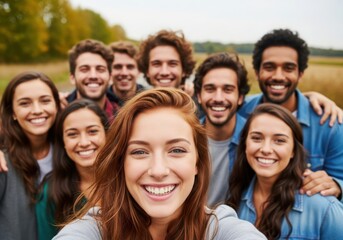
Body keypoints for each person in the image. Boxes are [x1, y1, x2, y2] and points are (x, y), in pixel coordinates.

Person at [53, 88, 266, 240]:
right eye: (139, 151)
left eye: (176, 150)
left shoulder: (219, 229)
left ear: (197, 163)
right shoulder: (96, 230)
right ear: (121, 163)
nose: (158, 171)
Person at [238, 29, 343, 202]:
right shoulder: (240, 111)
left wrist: (338, 186)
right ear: (257, 72)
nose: (278, 76)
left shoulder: (330, 124)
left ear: (300, 74)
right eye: (269, 67)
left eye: (288, 68)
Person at [227, 103, 343, 239]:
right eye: (257, 138)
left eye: (279, 141)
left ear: (293, 150)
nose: (266, 149)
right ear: (245, 144)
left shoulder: (324, 208)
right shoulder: (235, 199)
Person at [36, 99, 109, 240]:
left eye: (92, 131)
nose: (84, 142)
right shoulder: (50, 191)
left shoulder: (127, 179)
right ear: (63, 142)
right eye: (72, 134)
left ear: (107, 135)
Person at [0, 71, 60, 240]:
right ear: (12, 112)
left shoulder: (70, 153)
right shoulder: (3, 162)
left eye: (45, 100)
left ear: (56, 105)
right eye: (25, 103)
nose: (37, 110)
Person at [194, 52, 249, 206]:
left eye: (228, 89)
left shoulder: (255, 140)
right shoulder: (186, 138)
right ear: (199, 96)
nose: (218, 98)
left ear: (240, 97)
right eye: (210, 89)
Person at [62, 39, 119, 120]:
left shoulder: (123, 119)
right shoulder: (58, 115)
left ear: (110, 77)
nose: (93, 76)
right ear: (72, 77)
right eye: (84, 69)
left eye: (100, 69)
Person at [136, 29, 196, 95]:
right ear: (147, 70)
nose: (164, 72)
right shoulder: (135, 104)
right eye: (156, 64)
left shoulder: (199, 103)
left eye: (172, 64)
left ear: (184, 70)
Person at [107, 41, 145, 106]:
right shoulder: (100, 102)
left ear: (139, 71)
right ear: (109, 71)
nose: (124, 73)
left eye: (130, 67)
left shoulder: (150, 100)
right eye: (118, 67)